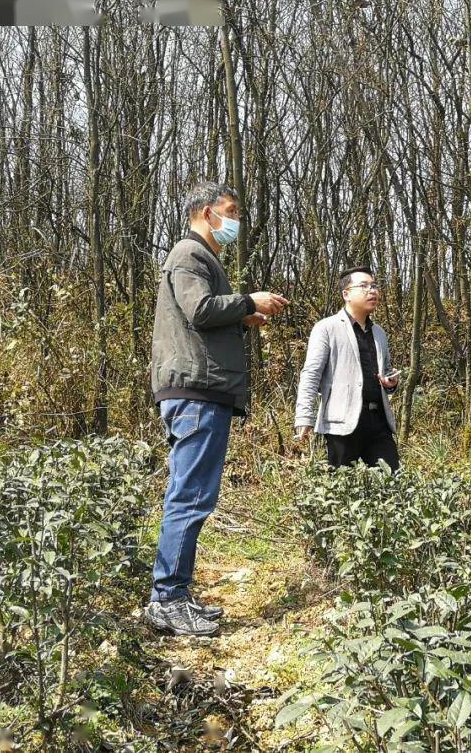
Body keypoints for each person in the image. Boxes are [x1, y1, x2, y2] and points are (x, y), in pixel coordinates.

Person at [147, 181, 289, 636]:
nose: (236, 222)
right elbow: (199, 309)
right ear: (207, 213)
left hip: (202, 391)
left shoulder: (203, 258)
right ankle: (167, 598)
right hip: (196, 392)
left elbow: (206, 315)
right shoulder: (190, 255)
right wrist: (250, 300)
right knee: (189, 497)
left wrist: (242, 316)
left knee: (193, 495)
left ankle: (176, 593)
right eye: (231, 212)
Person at [294, 266, 400, 471]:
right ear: (346, 294)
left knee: (391, 484)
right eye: (364, 286)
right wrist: (304, 417)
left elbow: (386, 371)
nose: (372, 291)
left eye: (374, 286)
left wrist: (390, 383)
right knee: (341, 490)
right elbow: (311, 375)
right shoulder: (326, 328)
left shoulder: (379, 333)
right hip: (342, 423)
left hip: (379, 421)